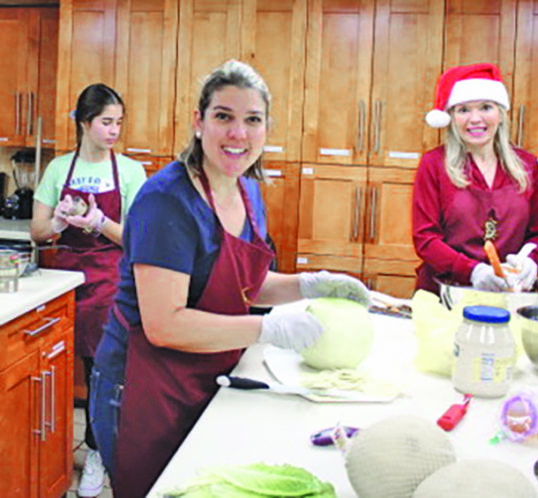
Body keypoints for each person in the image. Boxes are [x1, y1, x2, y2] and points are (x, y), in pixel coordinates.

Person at [90, 60, 370, 497]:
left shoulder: (246, 189)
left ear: (265, 129)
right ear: (199, 123)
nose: (238, 133)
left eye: (252, 120)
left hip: (207, 371)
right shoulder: (167, 202)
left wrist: (308, 283)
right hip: (143, 385)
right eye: (224, 116)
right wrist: (268, 328)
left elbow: (243, 283)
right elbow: (165, 323)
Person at [30, 83, 146, 497]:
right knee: (60, 370)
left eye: (118, 122)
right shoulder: (59, 169)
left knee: (104, 371)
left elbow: (135, 239)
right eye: (106, 122)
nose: (114, 130)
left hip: (109, 282)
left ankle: (97, 453)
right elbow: (38, 231)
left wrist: (98, 222)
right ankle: (52, 454)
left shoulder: (131, 171)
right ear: (85, 123)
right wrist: (60, 223)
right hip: (62, 282)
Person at [412, 63, 538, 294]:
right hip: (445, 293)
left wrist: (532, 260)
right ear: (451, 117)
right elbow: (426, 239)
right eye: (463, 110)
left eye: (486, 107)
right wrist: (473, 271)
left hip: (508, 293)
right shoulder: (434, 164)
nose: (475, 119)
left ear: (500, 113)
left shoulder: (527, 165)